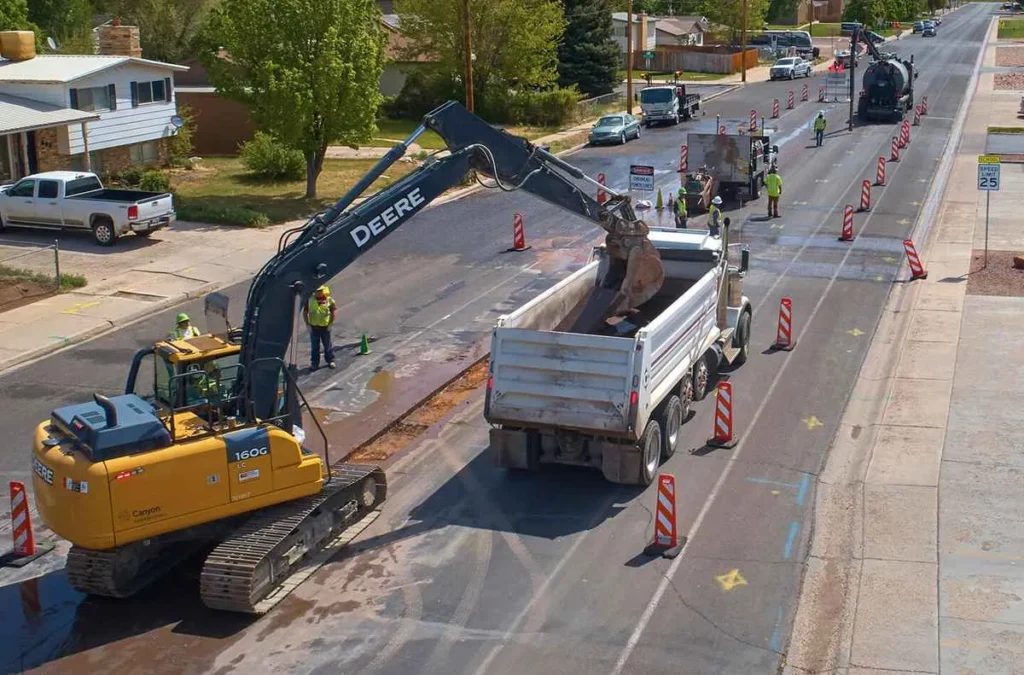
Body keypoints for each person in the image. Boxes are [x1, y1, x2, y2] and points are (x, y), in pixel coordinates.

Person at [303, 285, 337, 371]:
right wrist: (307, 325)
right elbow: (305, 312)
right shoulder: (309, 300)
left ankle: (330, 360)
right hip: (314, 328)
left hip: (325, 328)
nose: (318, 292)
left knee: (327, 345)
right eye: (317, 291)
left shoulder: (329, 300)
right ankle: (314, 364)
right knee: (315, 347)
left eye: (320, 291)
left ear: (323, 290)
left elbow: (333, 312)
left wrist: (330, 324)